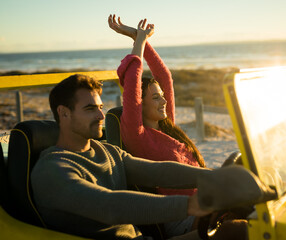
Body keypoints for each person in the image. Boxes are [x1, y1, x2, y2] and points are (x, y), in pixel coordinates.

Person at [30, 72, 212, 240]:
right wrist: (191, 205)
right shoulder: (52, 169)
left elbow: (158, 171)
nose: (101, 115)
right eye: (90, 109)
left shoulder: (108, 152)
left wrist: (214, 178)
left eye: (100, 107)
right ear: (64, 113)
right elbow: (109, 205)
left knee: (232, 228)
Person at [108, 15, 205, 197]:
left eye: (161, 96)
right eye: (155, 98)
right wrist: (140, 42)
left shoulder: (167, 126)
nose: (164, 101)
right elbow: (132, 80)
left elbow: (164, 76)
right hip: (184, 215)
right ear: (139, 104)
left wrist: (138, 38)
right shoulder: (138, 136)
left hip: (208, 200)